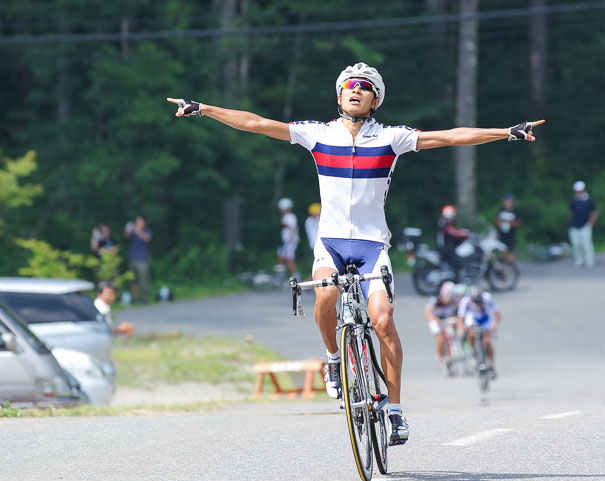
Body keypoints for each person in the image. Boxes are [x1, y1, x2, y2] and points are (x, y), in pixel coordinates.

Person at [168, 61, 544, 445]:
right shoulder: (318, 134)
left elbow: (450, 136)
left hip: (372, 245)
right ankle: (334, 359)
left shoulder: (391, 138)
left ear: (375, 99)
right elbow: (256, 123)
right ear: (339, 95)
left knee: (382, 321)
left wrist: (507, 132)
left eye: (364, 86)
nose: (356, 90)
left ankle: (395, 412)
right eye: (349, 85)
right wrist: (205, 109)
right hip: (331, 241)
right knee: (325, 295)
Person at [457, 286, 501, 379]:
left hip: (486, 317)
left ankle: (492, 366)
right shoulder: (465, 301)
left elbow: (497, 314)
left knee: (487, 341)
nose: (479, 304)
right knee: (471, 333)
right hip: (473, 318)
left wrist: (495, 324)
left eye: (480, 302)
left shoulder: (487, 298)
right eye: (476, 302)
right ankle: (474, 351)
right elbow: (461, 317)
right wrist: (462, 328)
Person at [424, 281, 459, 375]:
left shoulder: (454, 301)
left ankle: (454, 351)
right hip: (436, 320)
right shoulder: (435, 299)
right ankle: (441, 358)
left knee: (454, 330)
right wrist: (435, 319)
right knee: (440, 337)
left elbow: (458, 314)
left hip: (447, 320)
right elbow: (428, 313)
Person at [569, 181, 598, 268]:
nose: (579, 192)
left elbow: (594, 212)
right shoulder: (574, 200)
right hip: (574, 225)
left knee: (586, 244)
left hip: (585, 225)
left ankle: (589, 260)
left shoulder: (589, 201)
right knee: (576, 244)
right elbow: (571, 212)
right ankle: (579, 260)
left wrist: (591, 223)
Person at [124, 216, 153, 303]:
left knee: (143, 280)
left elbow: (147, 239)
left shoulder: (147, 232)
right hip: (133, 259)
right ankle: (134, 298)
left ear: (144, 223)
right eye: (137, 222)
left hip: (142, 260)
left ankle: (144, 297)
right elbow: (126, 236)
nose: (138, 224)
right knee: (133, 280)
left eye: (139, 222)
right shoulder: (133, 232)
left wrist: (138, 231)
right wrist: (127, 229)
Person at [437, 204, 470, 273]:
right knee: (458, 264)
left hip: (447, 247)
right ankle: (457, 279)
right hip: (447, 249)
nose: (453, 217)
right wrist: (465, 233)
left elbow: (453, 231)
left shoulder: (444, 223)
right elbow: (453, 232)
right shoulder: (445, 224)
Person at [276, 197, 300, 279]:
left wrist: (290, 240)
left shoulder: (290, 217)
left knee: (289, 260)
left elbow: (292, 229)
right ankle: (280, 275)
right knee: (280, 257)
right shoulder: (286, 217)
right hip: (286, 241)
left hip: (289, 241)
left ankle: (296, 276)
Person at [496, 194, 521, 262]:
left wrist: (510, 224)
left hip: (511, 235)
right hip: (502, 234)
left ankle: (511, 268)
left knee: (511, 252)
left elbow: (518, 223)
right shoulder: (501, 210)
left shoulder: (515, 211)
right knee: (501, 251)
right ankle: (501, 267)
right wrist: (500, 224)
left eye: (509, 202)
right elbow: (497, 221)